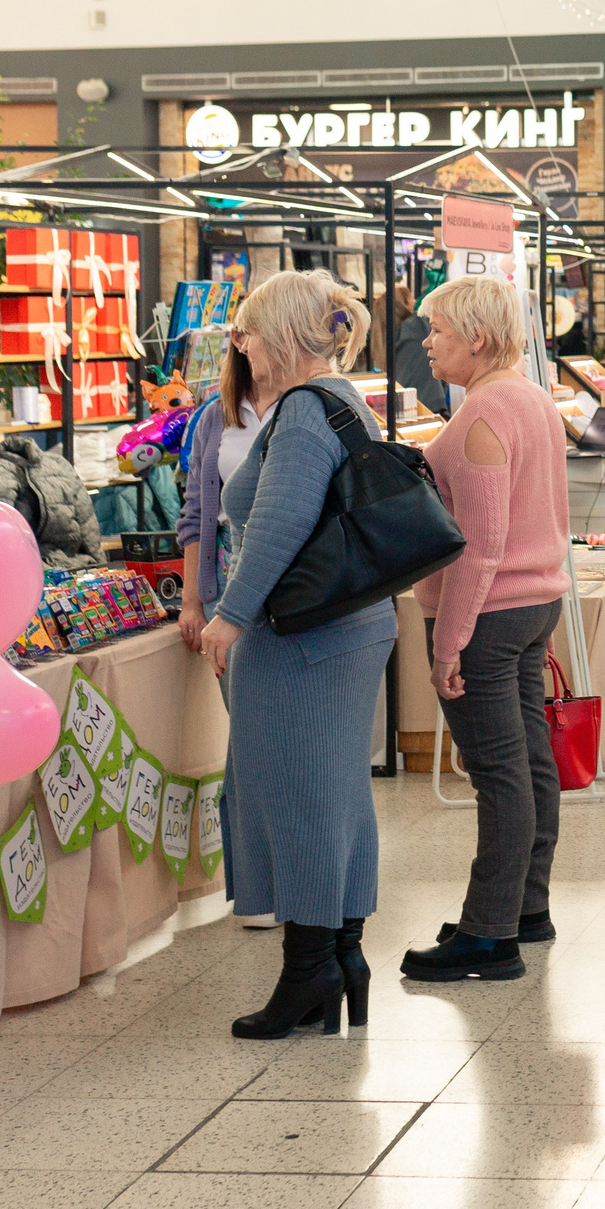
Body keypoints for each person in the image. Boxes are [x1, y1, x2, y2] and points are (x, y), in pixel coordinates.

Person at [196, 272, 397, 1040]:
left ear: (278, 333)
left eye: (246, 329)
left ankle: (309, 967)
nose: (237, 343)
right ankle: (343, 955)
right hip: (349, 625)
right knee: (338, 793)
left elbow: (278, 523)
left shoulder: (304, 412)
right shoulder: (343, 399)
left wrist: (228, 617)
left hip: (303, 637)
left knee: (297, 796)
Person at [399, 277, 572, 984]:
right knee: (530, 762)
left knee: (499, 774)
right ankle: (524, 906)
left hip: (488, 615)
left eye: (436, 328)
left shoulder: (482, 415)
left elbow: (480, 545)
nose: (428, 341)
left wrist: (448, 645)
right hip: (533, 602)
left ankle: (488, 932)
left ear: (475, 335)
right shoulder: (532, 398)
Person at [173, 326, 276, 928]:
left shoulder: (300, 407)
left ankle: (281, 881)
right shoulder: (215, 416)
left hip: (288, 599)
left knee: (271, 741)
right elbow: (195, 515)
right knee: (247, 741)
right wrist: (193, 601)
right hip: (224, 602)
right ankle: (253, 886)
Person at [391, 289, 450, 415]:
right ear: (404, 304)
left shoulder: (393, 334)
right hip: (428, 404)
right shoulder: (415, 327)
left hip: (409, 402)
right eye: (410, 298)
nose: (414, 300)